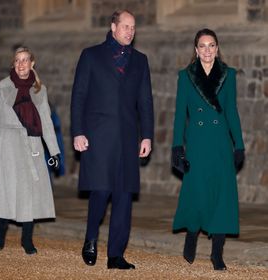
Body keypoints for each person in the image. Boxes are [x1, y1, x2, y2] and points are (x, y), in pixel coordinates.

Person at [71, 10, 154, 269]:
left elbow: (146, 102)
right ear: (113, 27)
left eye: (133, 27)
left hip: (128, 139)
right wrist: (78, 132)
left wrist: (148, 136)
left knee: (124, 196)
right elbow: (79, 97)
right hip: (98, 137)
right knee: (100, 190)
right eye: (125, 26)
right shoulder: (91, 55)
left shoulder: (140, 61)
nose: (130, 31)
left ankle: (116, 255)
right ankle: (91, 238)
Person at [171, 28, 245, 271]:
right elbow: (180, 114)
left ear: (217, 48)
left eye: (211, 45)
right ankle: (192, 233)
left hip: (221, 143)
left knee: (222, 197)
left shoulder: (228, 74)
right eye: (202, 46)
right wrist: (177, 148)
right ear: (196, 50)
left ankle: (217, 254)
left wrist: (239, 145)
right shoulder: (186, 76)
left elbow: (231, 112)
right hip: (198, 142)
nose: (207, 50)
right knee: (197, 193)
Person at [0, 46, 60, 255]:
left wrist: (54, 151)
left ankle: (27, 239)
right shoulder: (1, 87)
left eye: (25, 60)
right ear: (13, 64)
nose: (21, 64)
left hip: (32, 144)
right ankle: (2, 229)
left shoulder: (39, 90)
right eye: (17, 60)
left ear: (32, 63)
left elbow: (46, 121)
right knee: (8, 189)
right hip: (7, 144)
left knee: (29, 193)